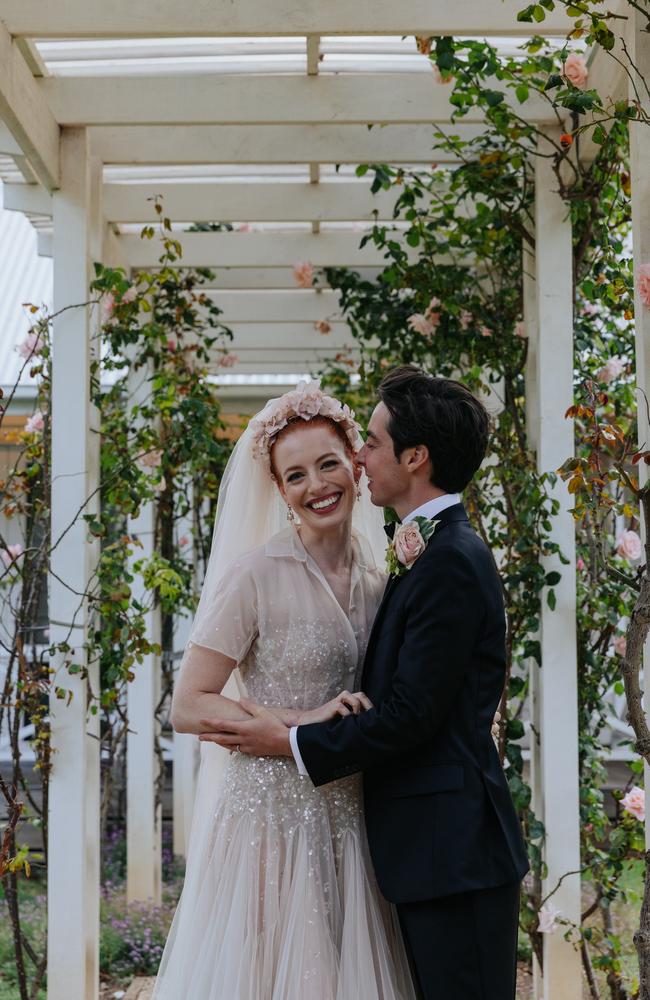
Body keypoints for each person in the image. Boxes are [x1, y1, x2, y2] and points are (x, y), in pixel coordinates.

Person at [203, 366, 530, 1000]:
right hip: (418, 849)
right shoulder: (422, 555)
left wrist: (291, 741)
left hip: (451, 854)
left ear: (415, 457)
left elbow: (410, 714)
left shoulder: (449, 563)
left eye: (371, 443)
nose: (360, 457)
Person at [153, 379, 417, 999]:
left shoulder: (385, 577)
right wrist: (304, 717)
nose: (316, 486)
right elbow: (188, 706)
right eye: (295, 476)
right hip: (269, 818)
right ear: (279, 490)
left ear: (356, 463)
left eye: (328, 464)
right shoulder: (253, 576)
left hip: (355, 814)